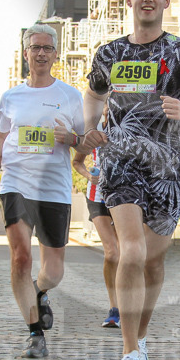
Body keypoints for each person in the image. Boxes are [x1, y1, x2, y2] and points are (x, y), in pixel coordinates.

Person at [66, 0, 180, 360]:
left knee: (153, 260)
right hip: (119, 162)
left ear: (166, 0)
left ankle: (142, 339)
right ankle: (129, 353)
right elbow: (95, 92)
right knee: (130, 250)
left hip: (167, 168)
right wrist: (90, 126)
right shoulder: (108, 53)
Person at [0, 23, 84, 358]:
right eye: (35, 47)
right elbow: (0, 137)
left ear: (55, 54)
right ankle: (34, 332)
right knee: (21, 257)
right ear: (25, 53)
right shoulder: (10, 97)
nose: (41, 53)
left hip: (54, 189)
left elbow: (86, 141)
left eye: (47, 48)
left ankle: (39, 291)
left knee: (53, 271)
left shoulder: (70, 96)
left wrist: (70, 139)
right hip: (16, 184)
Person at [72, 119, 120, 329]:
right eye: (106, 102)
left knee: (128, 253)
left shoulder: (134, 124)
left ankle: (131, 301)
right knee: (112, 253)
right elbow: (77, 162)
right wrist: (88, 176)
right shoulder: (94, 130)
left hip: (127, 195)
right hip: (98, 196)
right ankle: (114, 308)